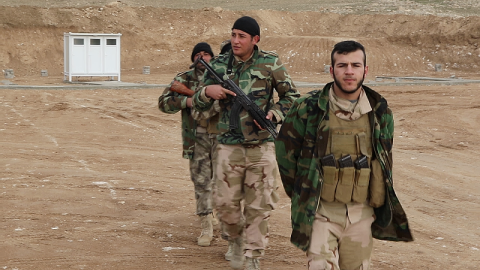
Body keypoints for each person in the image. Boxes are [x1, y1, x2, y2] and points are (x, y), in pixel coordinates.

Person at [275, 40, 413, 270]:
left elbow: (384, 159)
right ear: (332, 70)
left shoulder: (380, 111)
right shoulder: (307, 108)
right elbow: (285, 156)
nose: (349, 71)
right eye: (342, 65)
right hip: (321, 212)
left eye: (355, 65)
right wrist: (304, 193)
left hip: (362, 214)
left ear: (365, 70)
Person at [192, 16, 300, 270]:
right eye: (233, 35)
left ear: (255, 40)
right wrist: (208, 92)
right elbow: (197, 99)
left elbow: (292, 96)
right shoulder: (218, 64)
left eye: (242, 36)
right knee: (225, 206)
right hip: (228, 148)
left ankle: (253, 257)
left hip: (261, 148)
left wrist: (274, 114)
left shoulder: (270, 63)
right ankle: (236, 240)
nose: (236, 40)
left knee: (259, 208)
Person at [158, 42, 218, 247]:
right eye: (198, 55)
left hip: (222, 137)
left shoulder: (220, 75)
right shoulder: (184, 78)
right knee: (201, 182)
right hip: (197, 137)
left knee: (224, 182)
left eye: (206, 54)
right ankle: (206, 226)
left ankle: (219, 216)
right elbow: (163, 102)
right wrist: (188, 102)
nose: (202, 58)